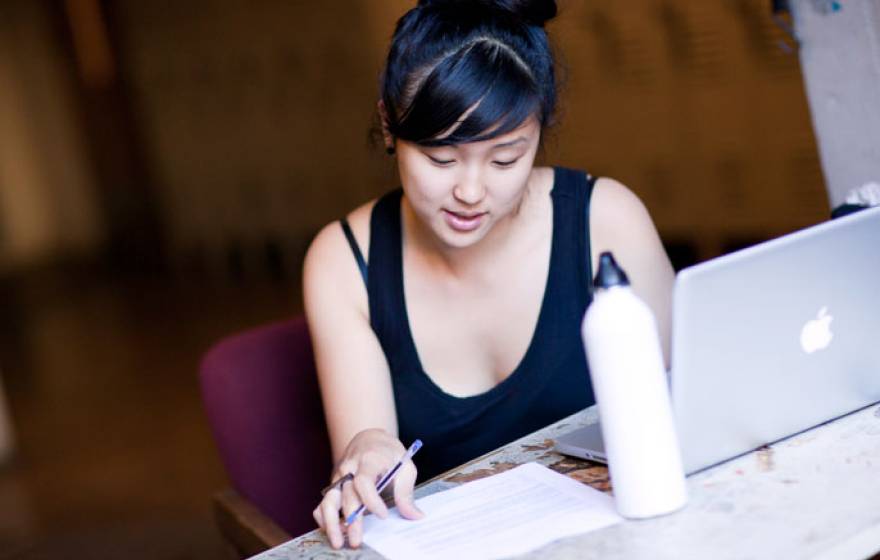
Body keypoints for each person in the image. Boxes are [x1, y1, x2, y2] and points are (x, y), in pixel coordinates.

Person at [303, 0, 674, 549]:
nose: (471, 192)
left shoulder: (606, 219)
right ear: (389, 126)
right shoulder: (344, 261)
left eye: (505, 159)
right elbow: (367, 442)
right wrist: (366, 453)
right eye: (442, 159)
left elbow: (684, 404)